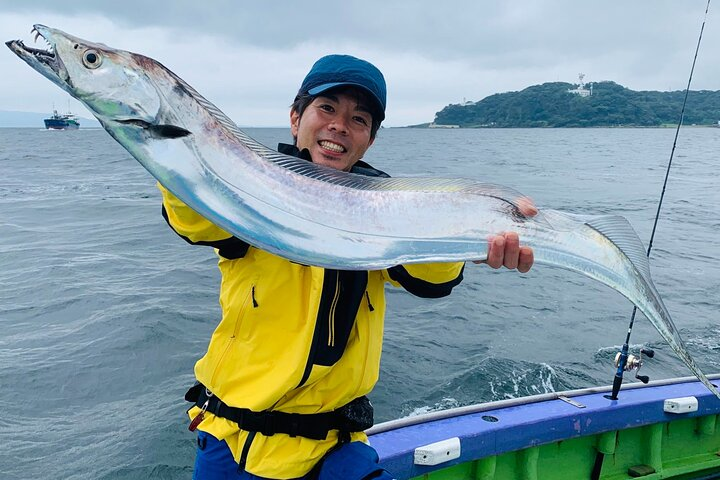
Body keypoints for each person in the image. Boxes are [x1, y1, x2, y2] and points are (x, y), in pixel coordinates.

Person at [158, 54, 534, 480]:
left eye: (359, 119)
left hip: (337, 446)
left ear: (369, 140)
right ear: (295, 118)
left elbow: (427, 279)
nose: (340, 125)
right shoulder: (250, 189)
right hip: (235, 441)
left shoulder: (384, 208)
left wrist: (471, 238)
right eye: (327, 108)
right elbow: (194, 220)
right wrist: (172, 153)